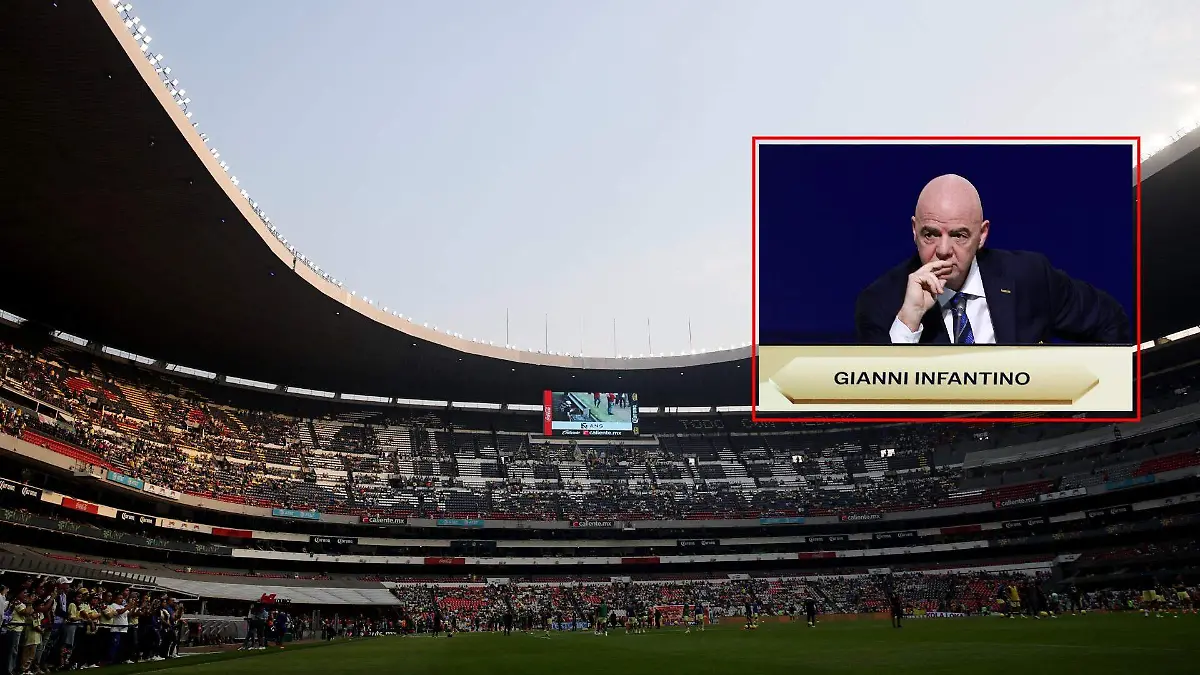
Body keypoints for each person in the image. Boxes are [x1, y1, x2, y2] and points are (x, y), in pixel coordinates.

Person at [855, 174, 1129, 346]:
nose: (943, 250)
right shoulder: (880, 303)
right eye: (930, 234)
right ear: (914, 231)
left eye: (960, 235)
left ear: (982, 235)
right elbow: (882, 409)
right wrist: (909, 323)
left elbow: (1110, 322)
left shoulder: (1030, 276)